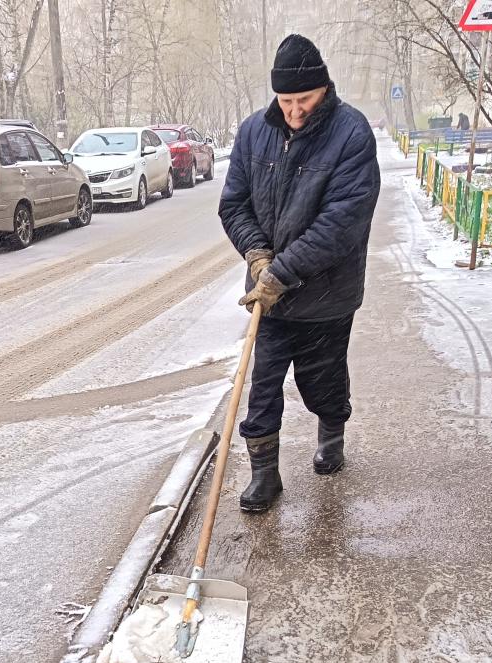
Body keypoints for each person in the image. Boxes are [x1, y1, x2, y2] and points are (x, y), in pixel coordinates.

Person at [218, 34, 381, 513]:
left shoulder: (351, 134)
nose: (294, 111)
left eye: (303, 100)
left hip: (326, 294)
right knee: (262, 385)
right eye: (285, 101)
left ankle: (332, 435)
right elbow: (234, 203)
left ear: (324, 89)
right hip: (269, 297)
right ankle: (264, 475)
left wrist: (281, 273)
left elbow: (342, 223)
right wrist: (256, 257)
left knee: (322, 381)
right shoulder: (253, 132)